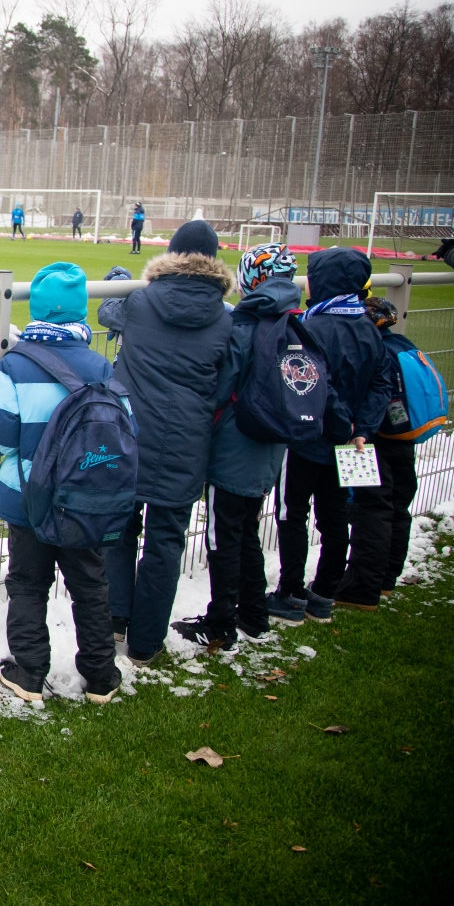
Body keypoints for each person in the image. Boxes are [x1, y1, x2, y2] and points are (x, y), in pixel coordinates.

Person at [0, 262, 123, 704]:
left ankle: (28, 672)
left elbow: (0, 428)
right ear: (81, 315)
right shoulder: (100, 365)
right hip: (85, 496)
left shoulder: (16, 364)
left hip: (29, 496)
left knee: (27, 581)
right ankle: (101, 675)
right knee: (89, 583)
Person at [97, 221, 234, 665]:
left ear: (172, 254)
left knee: (119, 526)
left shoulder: (140, 301)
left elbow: (107, 313)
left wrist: (119, 282)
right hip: (188, 438)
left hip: (132, 431)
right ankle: (145, 642)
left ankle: (117, 617)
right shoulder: (225, 317)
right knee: (165, 541)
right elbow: (226, 380)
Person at [170, 244, 302, 651]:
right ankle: (254, 614)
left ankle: (221, 623)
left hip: (234, 446)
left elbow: (220, 387)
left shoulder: (244, 327)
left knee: (223, 536)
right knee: (246, 530)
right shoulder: (294, 323)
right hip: (271, 446)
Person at [273, 247, 393, 617]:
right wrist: (362, 431)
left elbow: (316, 382)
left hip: (307, 437)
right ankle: (324, 591)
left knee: (293, 514)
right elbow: (381, 383)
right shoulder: (368, 328)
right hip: (347, 443)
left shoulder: (312, 325)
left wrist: (348, 426)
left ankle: (291, 590)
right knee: (334, 514)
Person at [352, 297, 423, 595]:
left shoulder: (372, 351)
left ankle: (364, 584)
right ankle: (387, 578)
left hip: (372, 438)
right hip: (403, 436)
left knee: (371, 509)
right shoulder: (404, 344)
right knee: (397, 507)